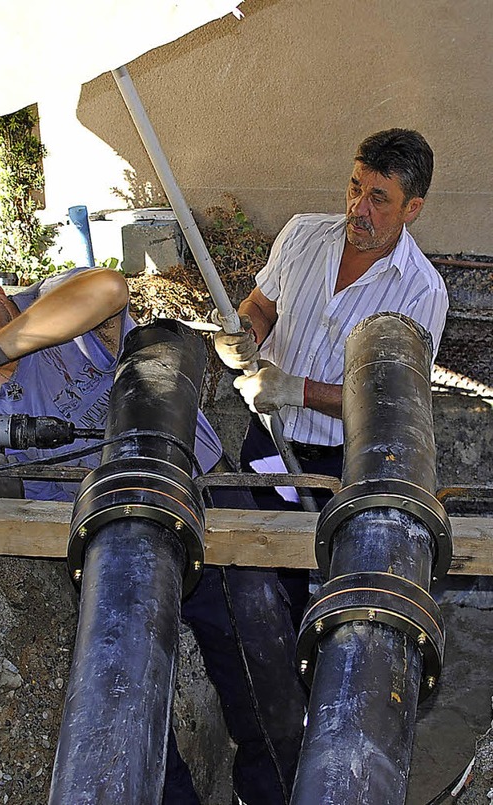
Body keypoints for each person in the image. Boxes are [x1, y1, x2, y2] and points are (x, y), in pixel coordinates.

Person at [0, 252, 306, 804]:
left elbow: (108, 288)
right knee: (126, 699)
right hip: (113, 538)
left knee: (262, 663)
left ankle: (274, 793)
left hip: (199, 496)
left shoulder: (55, 312)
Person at [213, 128, 449, 626]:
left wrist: (293, 388)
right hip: (270, 443)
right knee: (265, 578)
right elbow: (261, 303)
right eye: (354, 187)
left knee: (341, 592)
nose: (358, 208)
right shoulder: (302, 235)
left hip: (342, 466)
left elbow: (389, 404)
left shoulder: (422, 291)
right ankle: (277, 675)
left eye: (379, 199)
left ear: (413, 209)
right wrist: (244, 334)